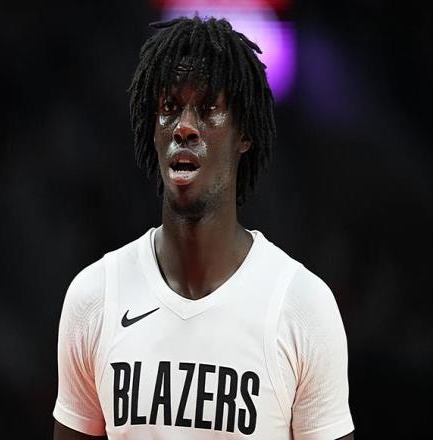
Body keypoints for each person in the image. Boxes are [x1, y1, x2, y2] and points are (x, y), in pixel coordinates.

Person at [53, 16, 354, 440]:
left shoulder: (302, 306)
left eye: (209, 108)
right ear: (152, 130)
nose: (185, 127)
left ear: (244, 133)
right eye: (169, 108)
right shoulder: (95, 297)